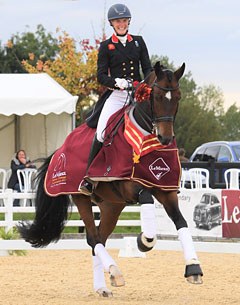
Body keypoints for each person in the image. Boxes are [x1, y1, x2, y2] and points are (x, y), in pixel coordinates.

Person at [80, 3, 152, 195]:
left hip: (138, 93)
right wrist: (116, 82)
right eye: (117, 21)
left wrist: (145, 85)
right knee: (102, 132)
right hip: (118, 94)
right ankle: (88, 178)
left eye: (124, 20)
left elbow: (147, 68)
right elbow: (101, 76)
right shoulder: (106, 46)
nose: (121, 24)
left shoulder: (138, 42)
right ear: (112, 23)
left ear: (128, 22)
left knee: (156, 124)